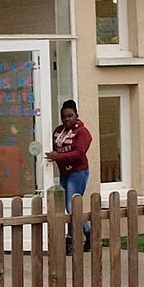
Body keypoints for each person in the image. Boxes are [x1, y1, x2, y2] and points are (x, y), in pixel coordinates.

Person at [47, 100, 94, 249]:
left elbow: (80, 153)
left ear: (76, 115)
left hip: (78, 171)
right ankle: (77, 237)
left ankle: (81, 235)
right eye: (64, 116)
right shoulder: (58, 131)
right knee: (68, 206)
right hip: (64, 172)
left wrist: (58, 157)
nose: (67, 119)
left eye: (70, 115)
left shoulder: (82, 132)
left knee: (71, 204)